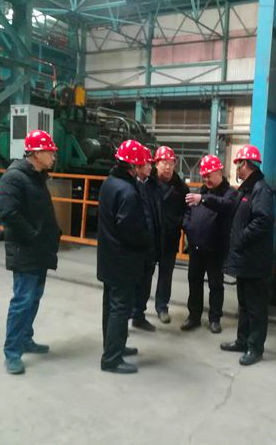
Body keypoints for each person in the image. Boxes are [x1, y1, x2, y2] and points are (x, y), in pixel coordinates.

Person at [0, 129, 61, 375]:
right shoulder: (13, 178)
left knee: (34, 297)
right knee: (22, 300)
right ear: (36, 153)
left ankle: (25, 339)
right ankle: (12, 352)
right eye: (50, 152)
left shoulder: (37, 177)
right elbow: (9, 214)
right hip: (25, 250)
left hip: (39, 249)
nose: (53, 156)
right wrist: (34, 236)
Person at [97, 140, 152, 374]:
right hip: (123, 260)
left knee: (110, 306)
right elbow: (130, 230)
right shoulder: (127, 191)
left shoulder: (110, 183)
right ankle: (112, 359)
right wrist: (146, 242)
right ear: (133, 166)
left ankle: (114, 346)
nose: (147, 167)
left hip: (109, 257)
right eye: (143, 164)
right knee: (120, 308)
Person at [220, 145, 274, 366]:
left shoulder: (261, 189)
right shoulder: (247, 189)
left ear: (246, 164)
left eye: (238, 164)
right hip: (244, 258)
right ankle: (242, 341)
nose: (236, 168)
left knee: (256, 307)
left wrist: (241, 238)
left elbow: (263, 220)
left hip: (254, 260)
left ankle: (255, 348)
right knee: (244, 303)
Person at [182, 155, 237, 333]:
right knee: (194, 282)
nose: (206, 179)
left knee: (215, 284)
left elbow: (225, 205)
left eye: (209, 175)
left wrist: (203, 199)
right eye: (204, 176)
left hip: (216, 249)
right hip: (196, 248)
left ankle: (215, 318)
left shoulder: (229, 194)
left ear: (219, 172)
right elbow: (188, 213)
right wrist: (188, 226)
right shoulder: (200, 192)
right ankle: (194, 316)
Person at [150, 146, 189, 324]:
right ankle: (137, 309)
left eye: (171, 163)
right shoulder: (147, 183)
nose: (168, 167)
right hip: (150, 238)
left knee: (166, 275)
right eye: (164, 163)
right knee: (144, 274)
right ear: (156, 164)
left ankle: (162, 307)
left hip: (170, 238)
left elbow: (187, 211)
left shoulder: (181, 188)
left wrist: (178, 223)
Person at [131, 146, 161, 332]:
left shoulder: (151, 185)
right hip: (135, 246)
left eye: (151, 163)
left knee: (145, 282)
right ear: (137, 165)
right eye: (147, 163)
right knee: (132, 283)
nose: (151, 167)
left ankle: (138, 315)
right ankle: (124, 319)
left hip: (150, 243)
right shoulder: (129, 186)